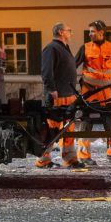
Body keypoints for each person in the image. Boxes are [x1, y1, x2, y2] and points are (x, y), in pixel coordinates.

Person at [74, 20, 111, 164]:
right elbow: (73, 65)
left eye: (92, 31)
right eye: (89, 31)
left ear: (101, 32)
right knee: (86, 120)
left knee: (110, 120)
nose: (90, 34)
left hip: (106, 91)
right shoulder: (85, 48)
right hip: (88, 90)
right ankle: (84, 156)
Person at [35, 22, 84, 169]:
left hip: (68, 95)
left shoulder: (64, 48)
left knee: (69, 128)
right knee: (52, 129)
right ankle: (43, 159)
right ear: (61, 32)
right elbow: (46, 71)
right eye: (69, 31)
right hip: (57, 96)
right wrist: (51, 89)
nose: (71, 33)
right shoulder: (51, 48)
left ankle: (70, 158)